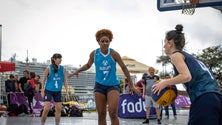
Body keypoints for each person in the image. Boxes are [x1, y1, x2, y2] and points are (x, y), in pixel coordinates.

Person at [152, 24, 222, 125]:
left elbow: (186, 76)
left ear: (170, 43)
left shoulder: (175, 55)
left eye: (165, 42)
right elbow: (199, 85)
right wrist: (179, 92)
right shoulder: (191, 58)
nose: (164, 46)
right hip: (217, 98)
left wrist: (164, 83)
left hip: (204, 101)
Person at [68, 29, 140, 125]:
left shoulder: (114, 53)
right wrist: (77, 71)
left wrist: (131, 84)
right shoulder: (94, 53)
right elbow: (88, 65)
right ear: (98, 42)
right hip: (99, 86)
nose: (105, 43)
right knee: (101, 114)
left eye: (107, 41)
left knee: (113, 113)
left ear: (110, 42)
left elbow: (123, 67)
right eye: (102, 41)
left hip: (113, 85)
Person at [41, 53, 69, 125]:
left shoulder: (63, 69)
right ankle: (42, 123)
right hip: (48, 91)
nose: (60, 60)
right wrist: (42, 91)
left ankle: (57, 124)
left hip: (57, 91)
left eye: (61, 58)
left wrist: (67, 92)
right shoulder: (48, 68)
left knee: (58, 110)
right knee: (46, 109)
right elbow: (43, 80)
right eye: (59, 58)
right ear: (54, 59)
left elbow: (65, 81)